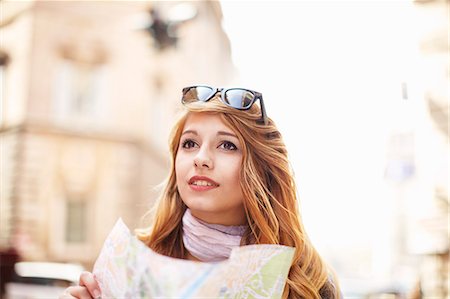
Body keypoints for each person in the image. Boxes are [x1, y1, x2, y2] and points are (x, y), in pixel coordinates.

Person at [60, 85, 341, 299]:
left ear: (263, 170)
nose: (201, 158)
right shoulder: (128, 267)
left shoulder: (307, 283)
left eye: (227, 145)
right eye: (190, 143)